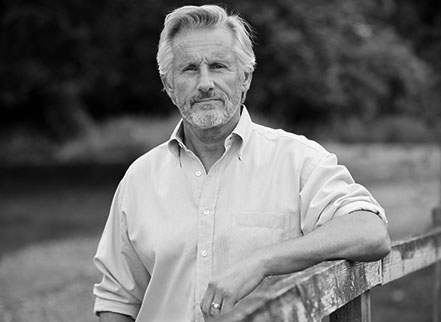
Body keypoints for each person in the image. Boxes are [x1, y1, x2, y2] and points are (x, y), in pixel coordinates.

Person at [93, 4, 391, 322]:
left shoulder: (298, 160)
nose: (205, 83)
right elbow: (118, 299)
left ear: (245, 77)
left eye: (219, 66)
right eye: (189, 69)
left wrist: (262, 261)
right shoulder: (139, 179)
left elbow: (370, 232)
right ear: (169, 86)